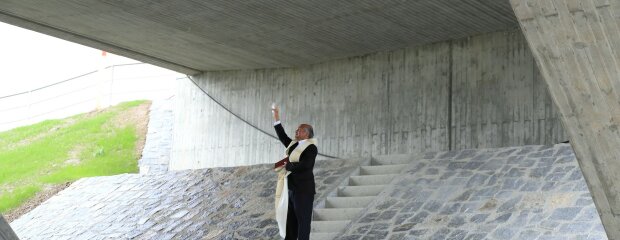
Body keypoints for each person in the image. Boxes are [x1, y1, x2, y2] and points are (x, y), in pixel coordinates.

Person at [272, 106, 317, 240]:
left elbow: (306, 165)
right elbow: (282, 136)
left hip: (303, 190)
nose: (297, 131)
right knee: (290, 222)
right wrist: (276, 118)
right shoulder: (293, 145)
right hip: (290, 189)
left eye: (300, 130)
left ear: (307, 134)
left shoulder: (311, 147)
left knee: (303, 222)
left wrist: (288, 165)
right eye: (297, 129)